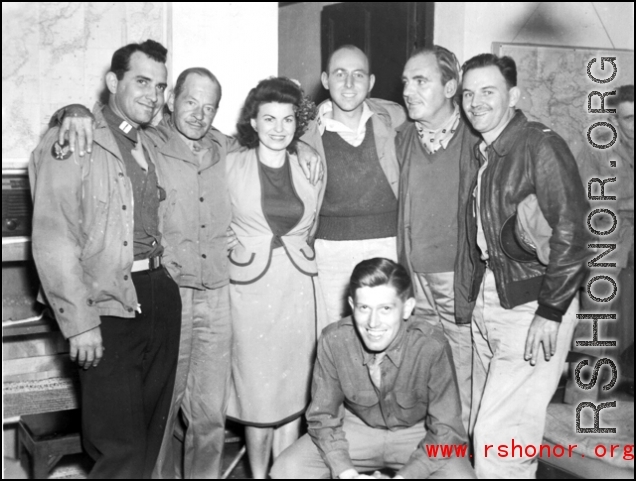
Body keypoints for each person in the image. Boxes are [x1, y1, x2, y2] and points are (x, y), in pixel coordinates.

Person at [50, 68, 324, 480]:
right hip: (170, 292)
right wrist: (72, 111)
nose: (199, 113)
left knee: (210, 414)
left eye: (209, 106)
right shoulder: (149, 141)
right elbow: (108, 123)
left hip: (217, 291)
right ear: (171, 100)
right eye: (190, 102)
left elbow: (276, 133)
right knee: (162, 409)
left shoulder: (223, 148)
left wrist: (302, 147)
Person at [29, 39, 181, 479]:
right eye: (141, 81)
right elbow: (54, 239)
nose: (153, 94)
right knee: (120, 449)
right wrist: (80, 323)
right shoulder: (76, 137)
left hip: (157, 295)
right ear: (113, 82)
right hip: (106, 305)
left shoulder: (149, 140)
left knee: (150, 440)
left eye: (160, 85)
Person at [460, 53, 589, 478]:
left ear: (513, 96)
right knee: (492, 433)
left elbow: (574, 232)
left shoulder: (539, 144)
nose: (475, 102)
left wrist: (550, 312)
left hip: (532, 306)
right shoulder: (491, 151)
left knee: (501, 444)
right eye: (468, 93)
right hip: (493, 300)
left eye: (487, 92)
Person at [270, 258, 476, 479]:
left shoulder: (431, 345)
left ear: (406, 308)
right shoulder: (334, 340)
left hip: (420, 434)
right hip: (355, 430)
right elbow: (323, 418)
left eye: (385, 308)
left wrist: (404, 477)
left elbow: (447, 429)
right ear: (352, 306)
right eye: (364, 308)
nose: (373, 323)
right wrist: (347, 474)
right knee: (286, 470)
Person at [225, 77, 326, 478]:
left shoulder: (308, 162)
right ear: (253, 119)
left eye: (287, 120)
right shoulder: (230, 164)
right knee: (257, 393)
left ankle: (283, 473)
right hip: (250, 292)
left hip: (299, 288)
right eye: (269, 118)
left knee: (293, 388)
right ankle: (256, 472)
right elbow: (215, 221)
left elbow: (312, 223)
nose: (279, 128)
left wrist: (303, 146)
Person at [396, 45, 480, 432]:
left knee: (464, 378)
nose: (409, 90)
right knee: (428, 377)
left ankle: (461, 462)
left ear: (450, 88)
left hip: (459, 280)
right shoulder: (401, 139)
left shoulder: (477, 140)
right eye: (406, 82)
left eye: (421, 81)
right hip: (415, 278)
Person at [301, 45, 406, 325]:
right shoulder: (306, 133)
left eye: (358, 75)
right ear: (325, 80)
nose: (349, 84)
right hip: (329, 252)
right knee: (336, 335)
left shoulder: (394, 120)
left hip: (388, 245)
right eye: (340, 74)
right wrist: (299, 144)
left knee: (385, 332)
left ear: (370, 83)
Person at [572, 84, 634, 397]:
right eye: (629, 119)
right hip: (610, 228)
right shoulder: (599, 144)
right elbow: (588, 199)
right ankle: (582, 391)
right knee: (598, 298)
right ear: (615, 118)